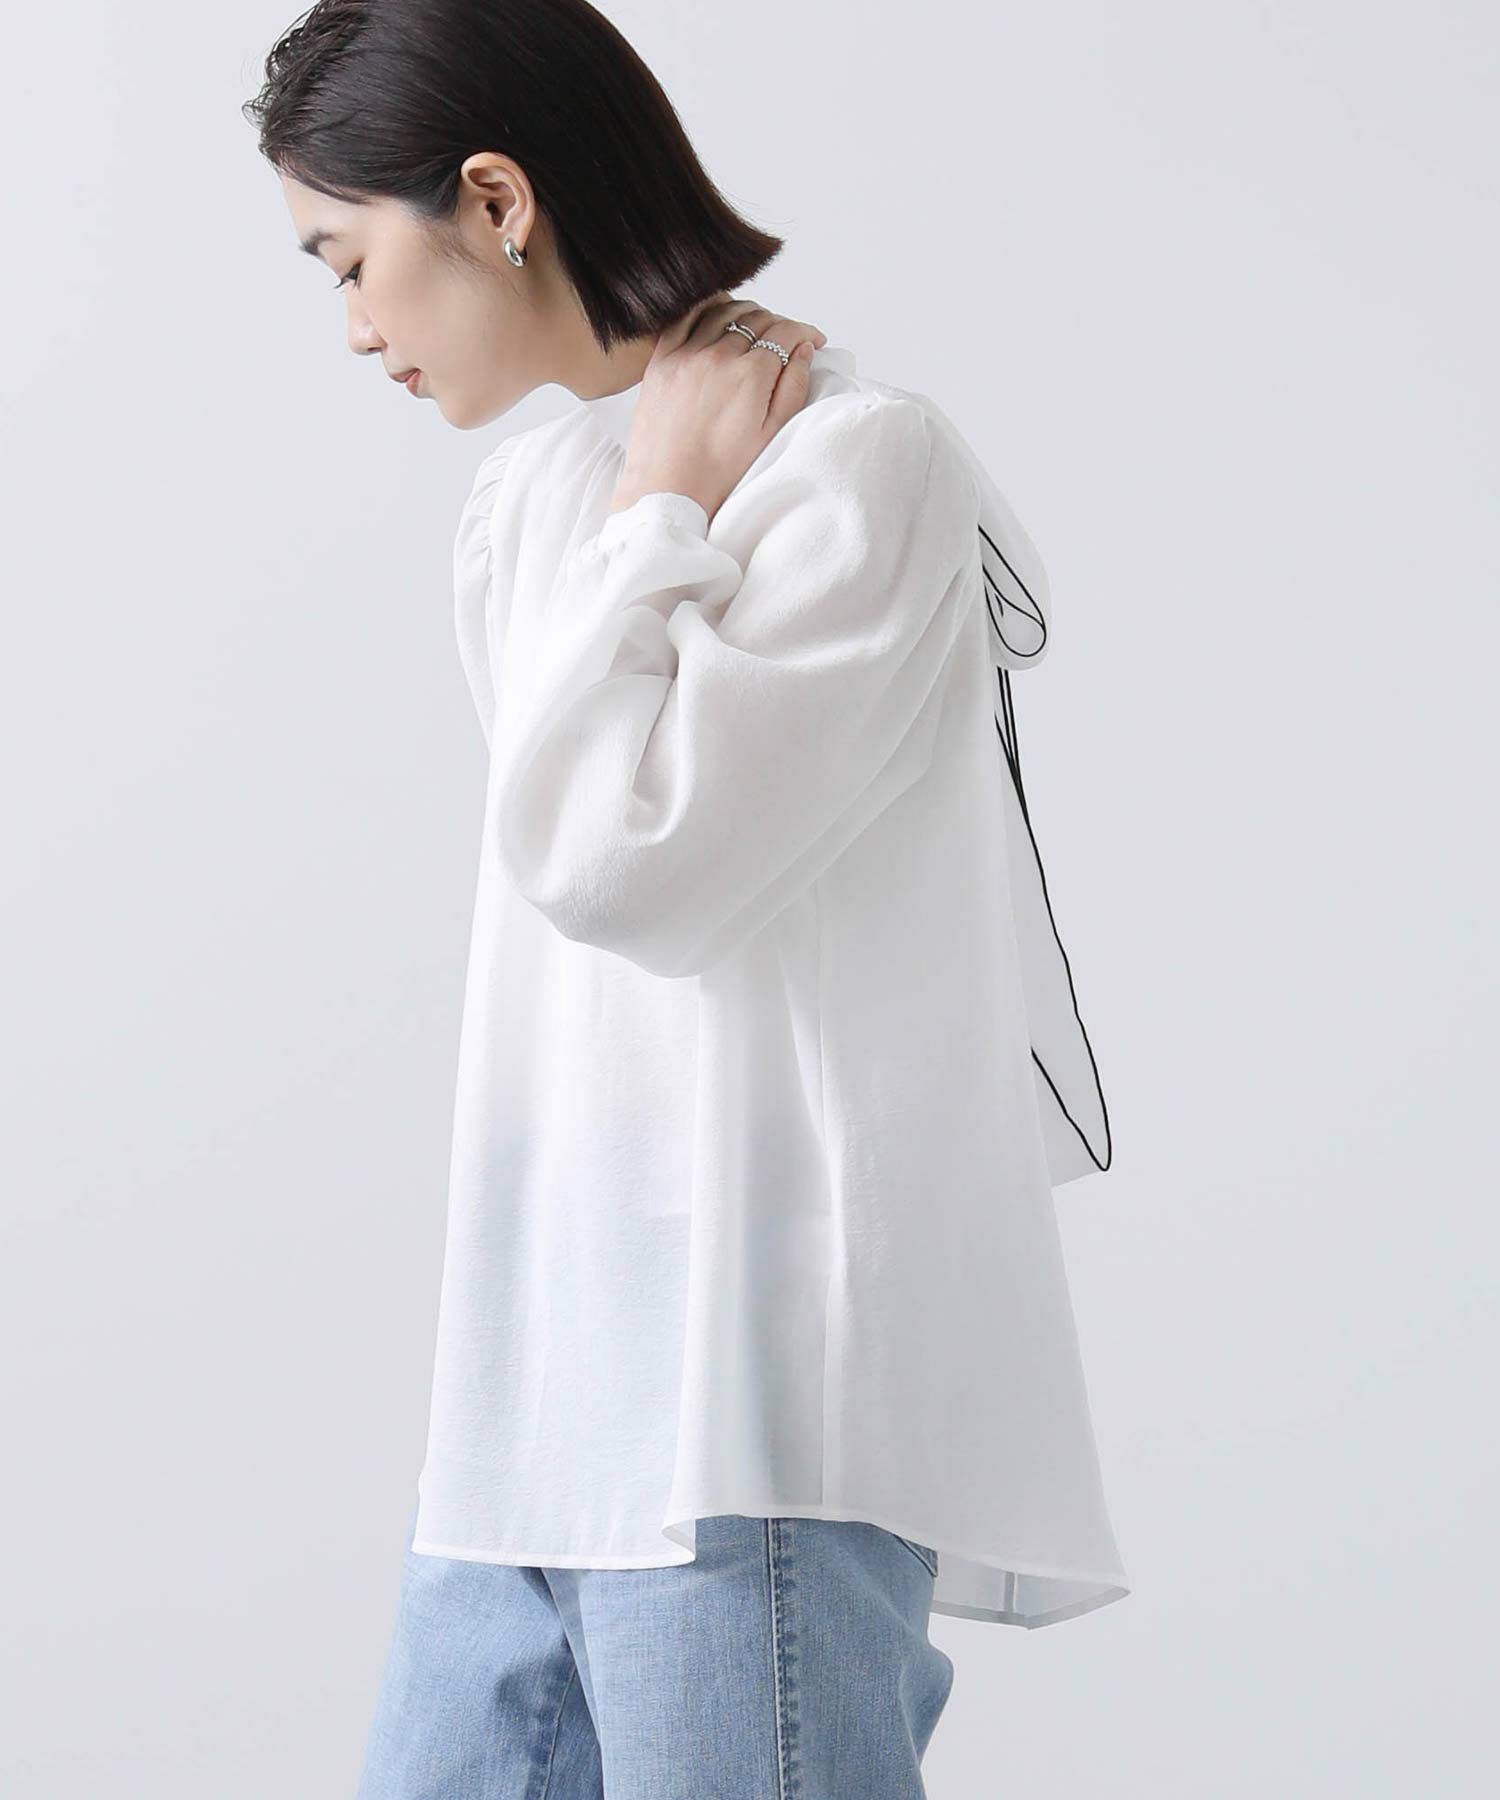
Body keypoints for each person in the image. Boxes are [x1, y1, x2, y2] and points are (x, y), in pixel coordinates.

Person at [246, 2, 1130, 1794]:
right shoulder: (526, 501)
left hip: (744, 1415)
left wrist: (663, 502)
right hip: (529, 1392)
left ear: (496, 200)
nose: (352, 328)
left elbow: (614, 867)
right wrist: (639, 494)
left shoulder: (861, 467)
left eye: (347, 260)